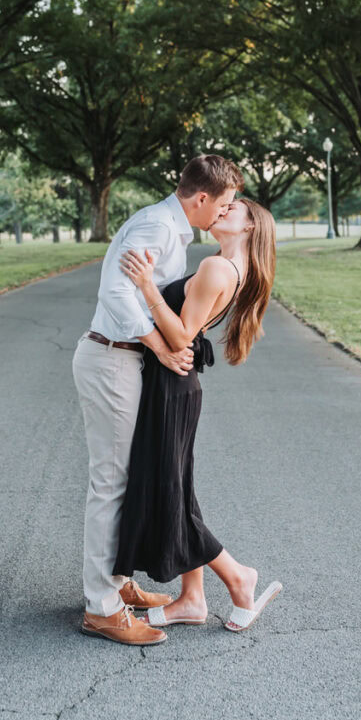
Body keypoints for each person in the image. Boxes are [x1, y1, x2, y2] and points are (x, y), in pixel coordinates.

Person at [72, 155, 244, 646]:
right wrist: (161, 348)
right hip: (113, 357)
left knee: (127, 476)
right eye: (225, 203)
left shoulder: (175, 230)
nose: (225, 212)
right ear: (202, 198)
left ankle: (118, 583)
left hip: (127, 360)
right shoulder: (157, 226)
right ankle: (100, 608)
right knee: (111, 481)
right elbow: (117, 292)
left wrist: (160, 346)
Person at [113, 197, 282, 634]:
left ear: (250, 227)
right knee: (179, 491)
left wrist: (148, 286)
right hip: (174, 388)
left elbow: (183, 337)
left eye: (235, 208)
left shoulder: (218, 269)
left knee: (172, 495)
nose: (224, 210)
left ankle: (239, 578)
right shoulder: (222, 265)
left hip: (172, 387)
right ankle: (193, 598)